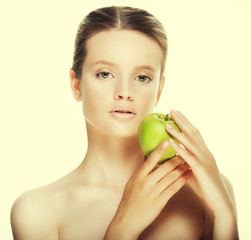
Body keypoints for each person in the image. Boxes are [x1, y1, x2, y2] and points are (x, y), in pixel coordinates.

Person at [10, 6, 239, 240]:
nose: (125, 92)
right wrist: (122, 229)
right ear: (76, 85)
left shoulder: (208, 193)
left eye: (142, 77)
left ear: (158, 90)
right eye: (105, 74)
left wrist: (225, 214)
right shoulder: (37, 212)